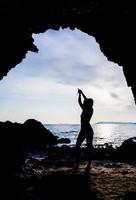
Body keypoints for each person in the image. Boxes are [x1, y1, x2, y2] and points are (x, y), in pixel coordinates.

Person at [75, 89, 94, 172]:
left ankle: (89, 165)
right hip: (84, 130)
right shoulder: (85, 108)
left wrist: (81, 94)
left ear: (88, 104)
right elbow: (81, 101)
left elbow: (82, 101)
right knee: (77, 146)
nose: (84, 102)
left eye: (85, 102)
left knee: (88, 147)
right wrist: (80, 94)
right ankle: (77, 163)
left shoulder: (89, 109)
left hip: (88, 130)